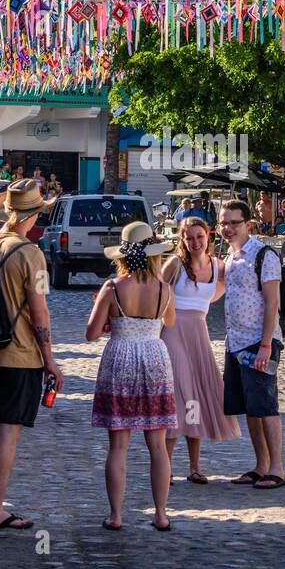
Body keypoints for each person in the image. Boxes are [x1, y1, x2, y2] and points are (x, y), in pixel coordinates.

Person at [0, 179, 63, 531]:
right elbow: (40, 313)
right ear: (35, 215)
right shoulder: (32, 254)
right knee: (8, 432)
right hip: (20, 355)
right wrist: (50, 360)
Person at [86, 222, 178, 531]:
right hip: (154, 356)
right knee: (158, 444)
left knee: (118, 445)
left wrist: (113, 320)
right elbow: (170, 321)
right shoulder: (165, 288)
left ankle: (116, 515)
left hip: (121, 356)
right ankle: (161, 513)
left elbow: (91, 333)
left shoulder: (113, 287)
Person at [159, 217, 240, 485]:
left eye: (199, 236)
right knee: (180, 395)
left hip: (199, 334)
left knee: (196, 398)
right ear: (182, 239)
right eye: (189, 237)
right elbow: (155, 293)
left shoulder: (219, 268)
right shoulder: (175, 265)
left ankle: (194, 467)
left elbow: (229, 291)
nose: (195, 242)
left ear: (208, 236)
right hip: (172, 331)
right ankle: (166, 468)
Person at [218, 199, 285, 489]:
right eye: (223, 222)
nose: (228, 228)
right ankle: (260, 465)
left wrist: (266, 345)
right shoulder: (230, 259)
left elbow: (273, 302)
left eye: (234, 222)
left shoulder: (263, 255)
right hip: (235, 343)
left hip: (259, 341)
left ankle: (278, 469)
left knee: (266, 405)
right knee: (250, 407)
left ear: (248, 224)